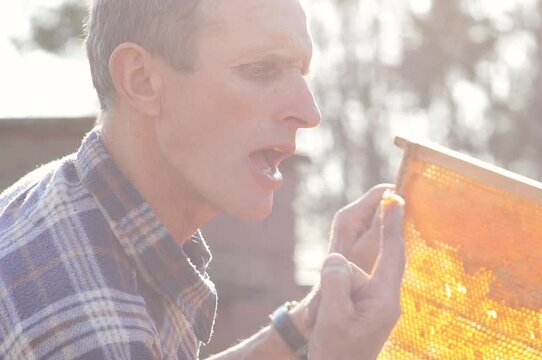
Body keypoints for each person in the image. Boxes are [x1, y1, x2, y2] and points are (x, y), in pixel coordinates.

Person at [0, 0, 406, 359]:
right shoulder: (79, 324)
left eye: (301, 73)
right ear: (141, 79)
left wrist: (308, 323)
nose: (309, 111)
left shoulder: (69, 203)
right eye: (262, 70)